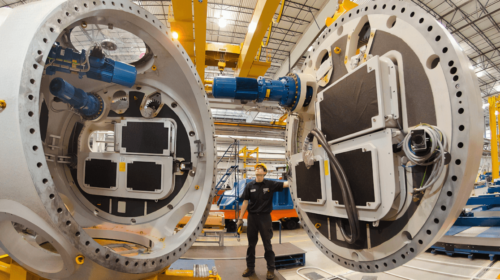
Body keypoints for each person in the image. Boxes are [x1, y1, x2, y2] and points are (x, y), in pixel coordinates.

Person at [237, 163, 289, 280]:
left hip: (265, 218)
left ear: (265, 172)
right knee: (251, 245)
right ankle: (250, 268)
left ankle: (270, 269)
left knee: (267, 244)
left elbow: (286, 184)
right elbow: (245, 202)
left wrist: (295, 176)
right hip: (252, 218)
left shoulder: (270, 184)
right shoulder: (249, 185)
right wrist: (240, 219)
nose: (257, 169)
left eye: (260, 168)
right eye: (256, 168)